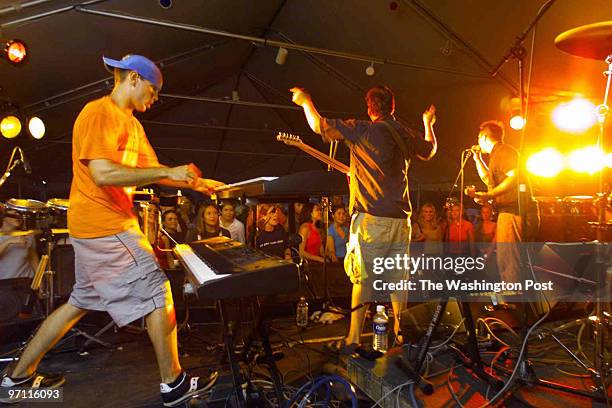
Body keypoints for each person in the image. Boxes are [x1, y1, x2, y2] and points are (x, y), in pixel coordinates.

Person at [0, 54, 224, 407]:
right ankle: (174, 385)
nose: (154, 99)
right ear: (133, 79)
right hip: (106, 225)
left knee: (76, 303)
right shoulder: (98, 113)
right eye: (153, 90)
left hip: (98, 226)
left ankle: (18, 378)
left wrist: (198, 183)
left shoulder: (132, 125)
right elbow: (103, 174)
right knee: (157, 293)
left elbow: (155, 170)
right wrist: (172, 172)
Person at [290, 84, 437, 351]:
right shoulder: (403, 132)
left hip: (372, 221)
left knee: (362, 279)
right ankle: (399, 332)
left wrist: (305, 102)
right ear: (392, 107)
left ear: (370, 109)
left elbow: (318, 126)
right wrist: (428, 124)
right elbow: (430, 150)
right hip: (401, 222)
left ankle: (354, 338)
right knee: (397, 279)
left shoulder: (361, 128)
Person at [468, 121, 537, 283]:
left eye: (478, 139)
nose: (477, 143)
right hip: (509, 212)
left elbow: (513, 177)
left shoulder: (504, 152)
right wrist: (477, 160)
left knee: (509, 261)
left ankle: (512, 301)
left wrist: (489, 195)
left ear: (483, 137)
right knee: (506, 260)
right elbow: (488, 179)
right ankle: (513, 297)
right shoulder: (496, 156)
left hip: (514, 212)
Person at [0, 212, 39, 281]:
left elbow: (33, 258)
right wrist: (8, 241)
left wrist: (39, 280)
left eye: (20, 213)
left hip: (26, 280)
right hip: (4, 283)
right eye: (14, 212)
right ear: (4, 216)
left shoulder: (27, 235)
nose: (18, 216)